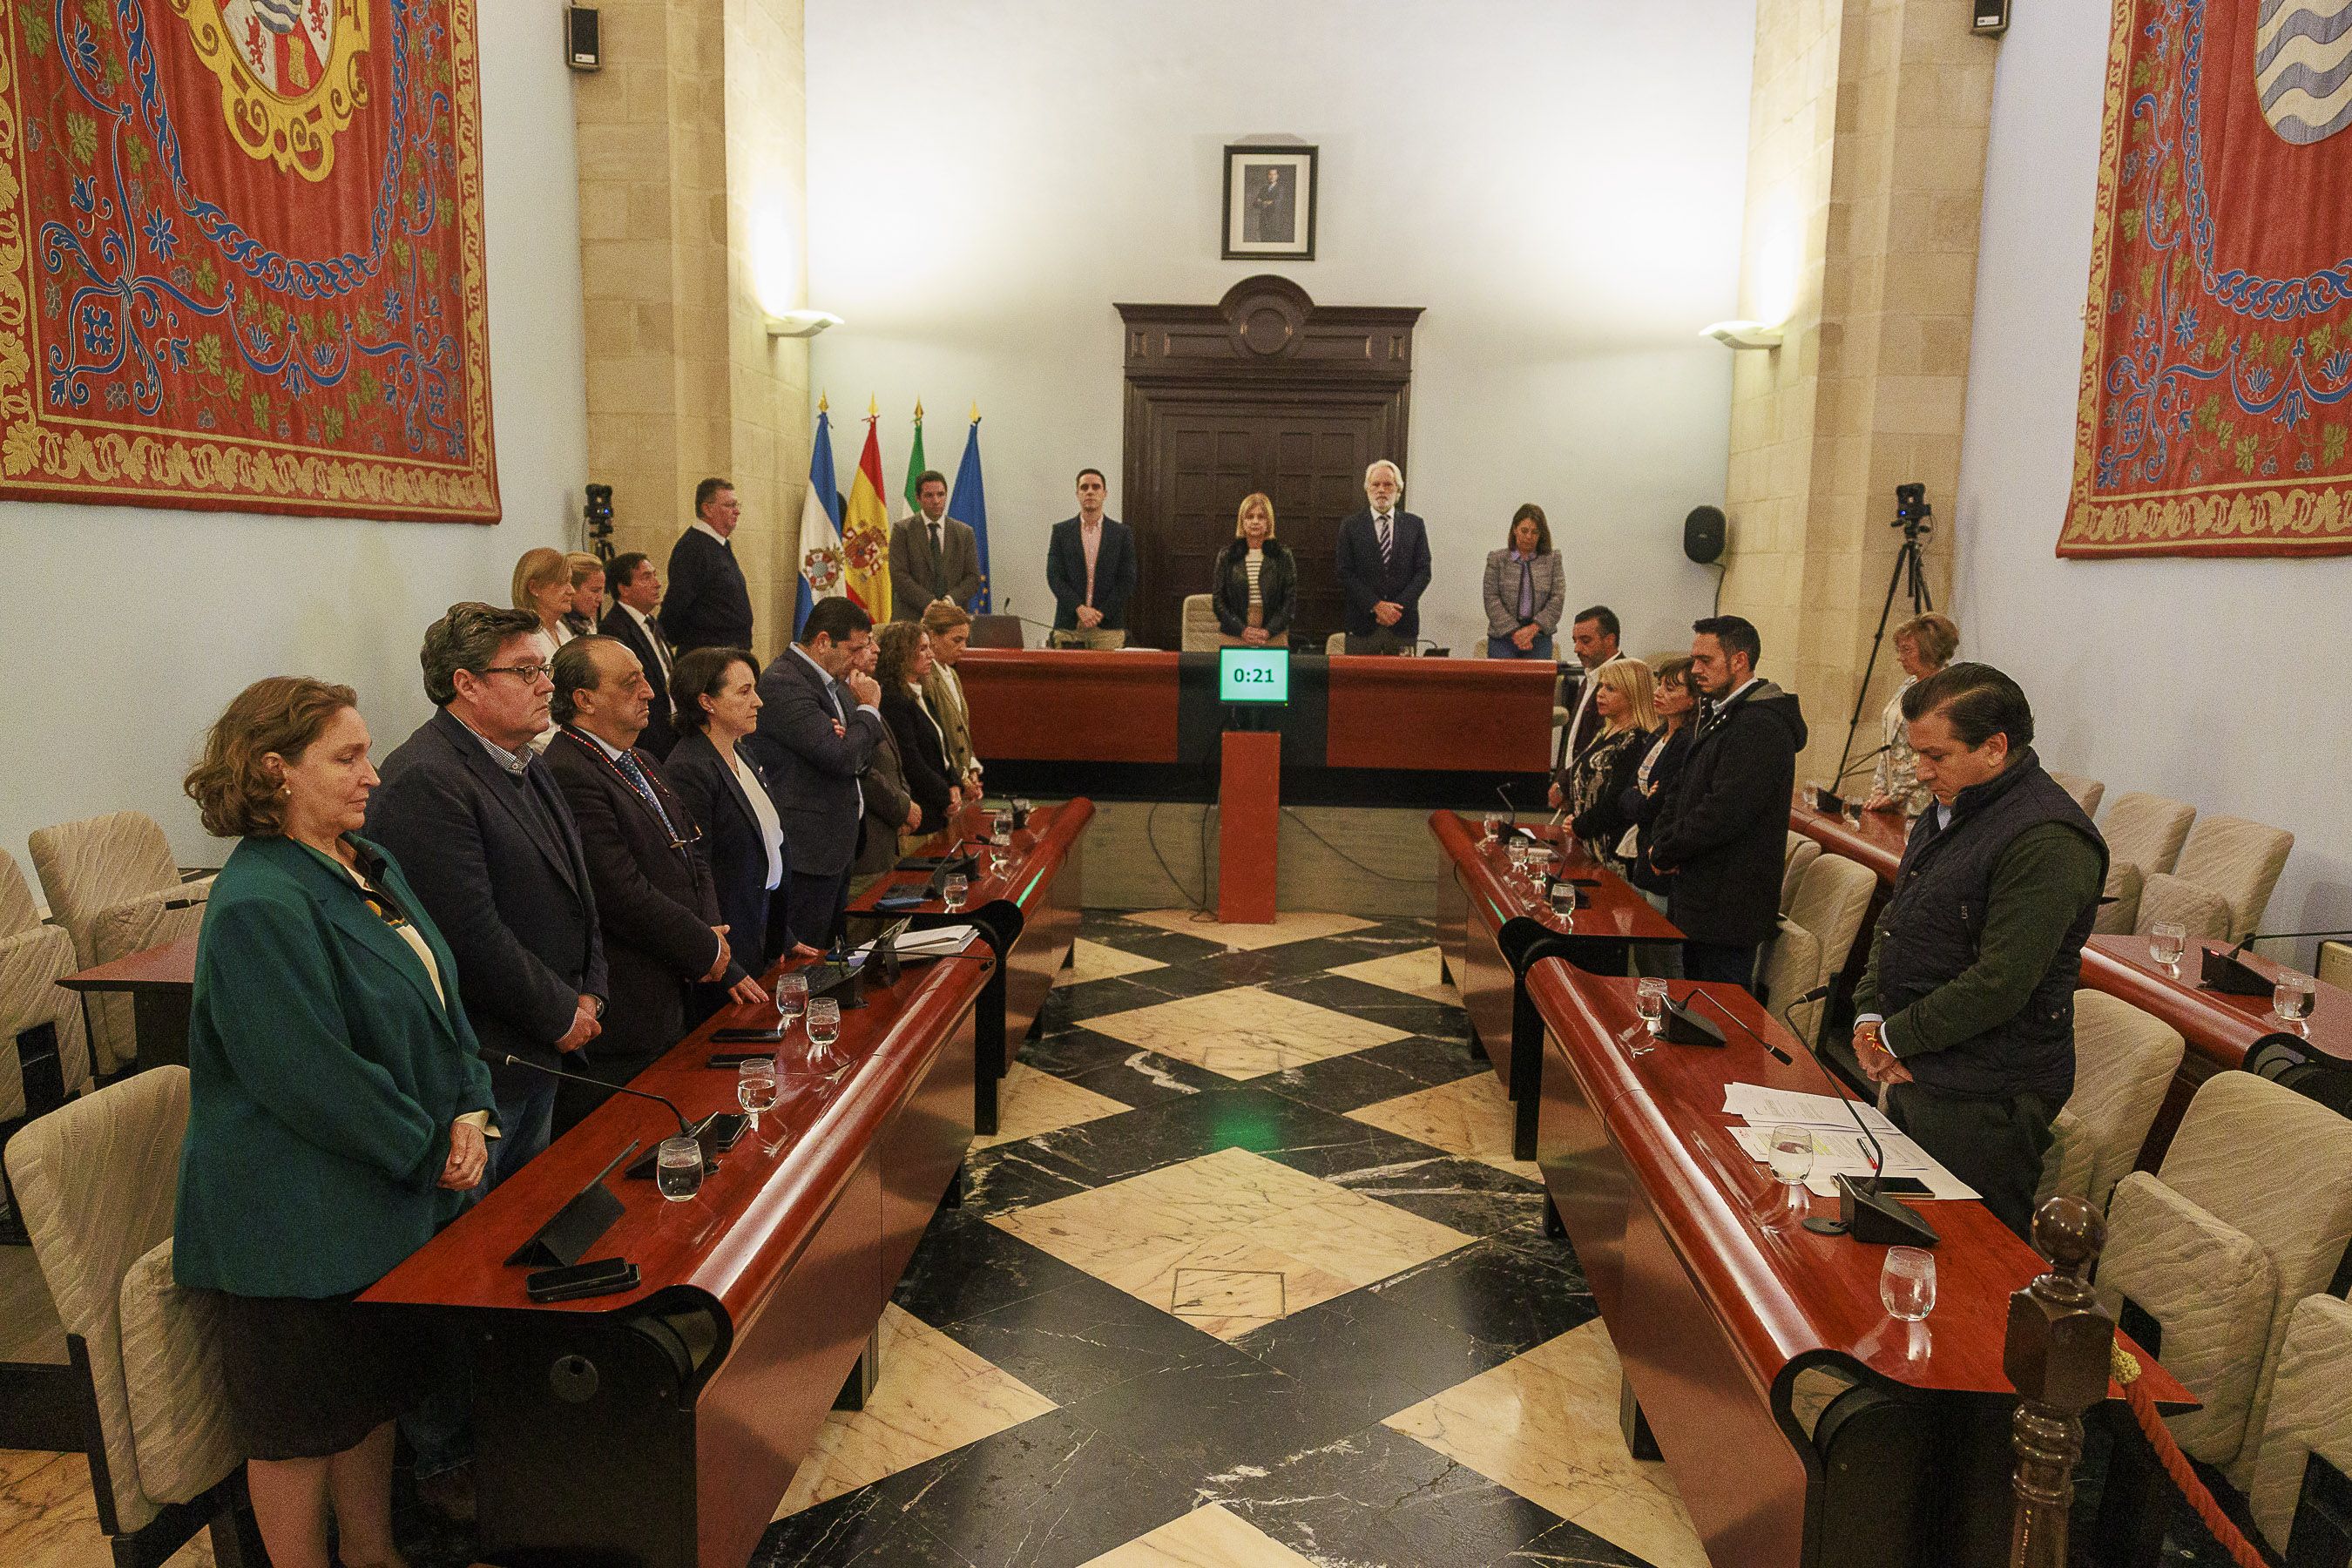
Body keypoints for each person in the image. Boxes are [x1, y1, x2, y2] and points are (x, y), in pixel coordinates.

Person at [176, 677, 496, 1566]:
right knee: (300, 1429)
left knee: (369, 1402)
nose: (372, 774)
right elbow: (310, 1077)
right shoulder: (258, 902)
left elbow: (443, 999)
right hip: (293, 1221)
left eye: (368, 753)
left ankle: (372, 1553)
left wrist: (471, 1105)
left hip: (375, 1197)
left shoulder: (365, 862)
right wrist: (429, 1147)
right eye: (347, 758)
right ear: (274, 771)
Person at [1849, 663, 2106, 1238]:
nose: (1921, 771)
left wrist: (1892, 1036)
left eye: (1936, 756)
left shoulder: (2047, 839)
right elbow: (1898, 922)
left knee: (1970, 1255)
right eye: (1917, 753)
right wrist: (1870, 1014)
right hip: (1921, 1064)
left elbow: (2000, 984)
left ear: (1995, 748)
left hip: (1988, 1094)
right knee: (1897, 1236)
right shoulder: (1950, 809)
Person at [366, 603, 606, 1186]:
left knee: (531, 1213)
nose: (546, 685)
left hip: (545, 1046)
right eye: (526, 671)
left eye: (544, 669)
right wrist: (560, 1011)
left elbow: (579, 889)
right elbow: (467, 933)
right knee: (484, 1229)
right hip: (487, 1065)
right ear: (467, 684)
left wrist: (592, 990)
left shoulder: (527, 759)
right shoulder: (427, 778)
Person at [543, 639, 765, 1124]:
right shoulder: (568, 770)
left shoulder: (641, 758)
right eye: (631, 683)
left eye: (645, 679)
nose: (649, 692)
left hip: (675, 982)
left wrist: (712, 932)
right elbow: (620, 892)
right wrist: (704, 945)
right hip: (630, 1002)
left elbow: (694, 848)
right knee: (635, 1135)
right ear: (584, 699)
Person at [1648, 615, 1808, 990]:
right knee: (1689, 1002)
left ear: (1739, 661)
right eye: (1694, 660)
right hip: (1699, 896)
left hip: (1728, 906)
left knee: (1719, 1011)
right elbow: (1681, 789)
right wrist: (1661, 841)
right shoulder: (1720, 714)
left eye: (1705, 660)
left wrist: (1667, 851)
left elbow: (1724, 811)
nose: (1695, 670)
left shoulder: (1761, 725)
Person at [746, 596, 885, 950]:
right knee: (806, 956)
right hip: (808, 852)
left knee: (831, 953)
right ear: (824, 641)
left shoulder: (836, 683)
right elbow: (841, 757)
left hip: (837, 846)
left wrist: (851, 737)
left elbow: (860, 753)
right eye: (854, 649)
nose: (861, 659)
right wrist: (868, 709)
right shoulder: (785, 683)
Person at [666, 647, 806, 973]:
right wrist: (723, 961)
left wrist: (780, 935)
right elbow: (697, 871)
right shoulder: (689, 769)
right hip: (729, 942)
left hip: (761, 927)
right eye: (744, 692)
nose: (758, 702)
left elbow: (769, 843)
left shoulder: (743, 754)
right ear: (706, 702)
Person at [1620, 655, 1700, 978]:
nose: (1658, 693)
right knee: (1645, 961)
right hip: (1642, 854)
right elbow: (1626, 797)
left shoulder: (1687, 743)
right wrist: (1641, 799)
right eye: (1659, 685)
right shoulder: (1657, 734)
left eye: (1670, 688)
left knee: (1665, 966)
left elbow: (1659, 804)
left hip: (1662, 862)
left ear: (1692, 699)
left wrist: (1641, 801)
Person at [1551, 659, 1656, 877]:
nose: (1600, 694)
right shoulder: (1605, 733)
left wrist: (1580, 825)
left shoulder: (1636, 740)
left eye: (1610, 688)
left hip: (1613, 853)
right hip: (1589, 847)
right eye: (1600, 686)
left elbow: (1617, 801)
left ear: (1633, 694)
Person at [1863, 612, 1961, 817]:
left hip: (1921, 802)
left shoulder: (1945, 692)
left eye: (1907, 650)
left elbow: (1933, 753)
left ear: (1929, 651)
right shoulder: (1910, 684)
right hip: (1892, 799)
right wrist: (1879, 789)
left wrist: (1895, 794)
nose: (1900, 657)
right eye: (1899, 649)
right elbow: (1888, 742)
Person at [1333, 459, 1431, 655]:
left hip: (1402, 624)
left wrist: (1396, 609)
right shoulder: (1351, 526)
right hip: (1362, 625)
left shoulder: (1415, 525)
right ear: (1367, 489)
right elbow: (1344, 572)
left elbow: (1423, 572)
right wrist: (1376, 606)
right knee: (1359, 676)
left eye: (1388, 485)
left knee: (1402, 677)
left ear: (1398, 490)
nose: (1381, 490)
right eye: (1375, 484)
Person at [852, 632, 923, 896]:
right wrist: (902, 809)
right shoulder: (847, 698)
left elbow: (894, 760)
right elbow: (861, 767)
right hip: (865, 852)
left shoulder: (869, 691)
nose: (876, 649)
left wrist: (904, 806)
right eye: (867, 642)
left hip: (886, 841)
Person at [876, 621, 963, 832]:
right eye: (923, 649)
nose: (930, 655)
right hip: (920, 813)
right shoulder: (893, 701)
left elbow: (942, 751)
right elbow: (912, 763)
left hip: (939, 808)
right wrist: (946, 797)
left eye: (929, 648)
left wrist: (955, 784)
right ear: (901, 654)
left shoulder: (922, 694)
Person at [598, 551, 678, 758]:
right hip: (648, 737)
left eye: (655, 575)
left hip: (670, 731)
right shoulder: (614, 628)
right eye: (646, 577)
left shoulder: (650, 622)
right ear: (623, 588)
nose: (657, 584)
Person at [1046, 468, 1137, 648]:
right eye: (1084, 487)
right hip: (1069, 626)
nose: (1090, 492)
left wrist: (1100, 613)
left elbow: (1127, 580)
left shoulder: (1121, 533)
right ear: (1077, 494)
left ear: (1104, 494)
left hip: (1107, 628)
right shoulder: (1061, 532)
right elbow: (1054, 577)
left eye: (1096, 487)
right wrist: (1079, 608)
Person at [664, 476, 755, 655]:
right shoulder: (693, 548)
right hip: (708, 658)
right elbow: (678, 603)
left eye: (737, 505)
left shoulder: (719, 544)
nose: (737, 511)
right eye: (729, 505)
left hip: (729, 654)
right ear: (707, 509)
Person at [889, 470, 981, 618]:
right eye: (929, 495)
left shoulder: (964, 533)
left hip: (952, 617)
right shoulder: (902, 530)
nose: (936, 501)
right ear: (918, 498)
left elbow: (973, 577)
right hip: (911, 619)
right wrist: (930, 603)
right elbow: (899, 576)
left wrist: (948, 602)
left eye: (941, 494)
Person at [1211, 492, 1297, 647]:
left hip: (1273, 634)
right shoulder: (1227, 556)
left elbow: (1289, 602)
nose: (1255, 521)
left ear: (1268, 522)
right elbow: (1218, 601)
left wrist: (1269, 631)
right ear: (1242, 521)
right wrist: (1242, 630)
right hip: (1235, 633)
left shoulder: (1282, 556)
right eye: (1250, 517)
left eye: (1261, 517)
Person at [1482, 505, 1565, 659]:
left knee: (1537, 676)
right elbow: (1491, 599)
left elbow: (1557, 598)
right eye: (1524, 531)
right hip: (1502, 638)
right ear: (1515, 529)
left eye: (1535, 532)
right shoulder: (1497, 559)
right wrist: (1515, 632)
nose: (1529, 536)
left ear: (1541, 534)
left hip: (1539, 636)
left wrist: (1533, 629)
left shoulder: (1552, 560)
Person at [1557, 605, 1632, 769]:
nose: (1577, 649)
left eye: (1585, 641)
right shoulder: (1589, 676)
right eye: (1575, 641)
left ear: (1610, 640)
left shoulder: (1624, 681)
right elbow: (1572, 738)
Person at [920, 600, 983, 792]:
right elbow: (936, 737)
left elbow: (960, 729)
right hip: (942, 781)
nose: (963, 647)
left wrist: (971, 767)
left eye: (965, 640)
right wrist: (959, 778)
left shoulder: (952, 674)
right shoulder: (925, 678)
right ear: (933, 637)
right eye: (957, 640)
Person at [512, 547, 575, 653]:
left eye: (569, 581)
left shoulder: (561, 629)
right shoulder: (523, 638)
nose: (572, 591)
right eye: (561, 582)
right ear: (534, 588)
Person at [562, 552, 606, 640]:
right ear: (570, 588)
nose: (601, 599)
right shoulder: (554, 629)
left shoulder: (587, 624)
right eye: (595, 591)